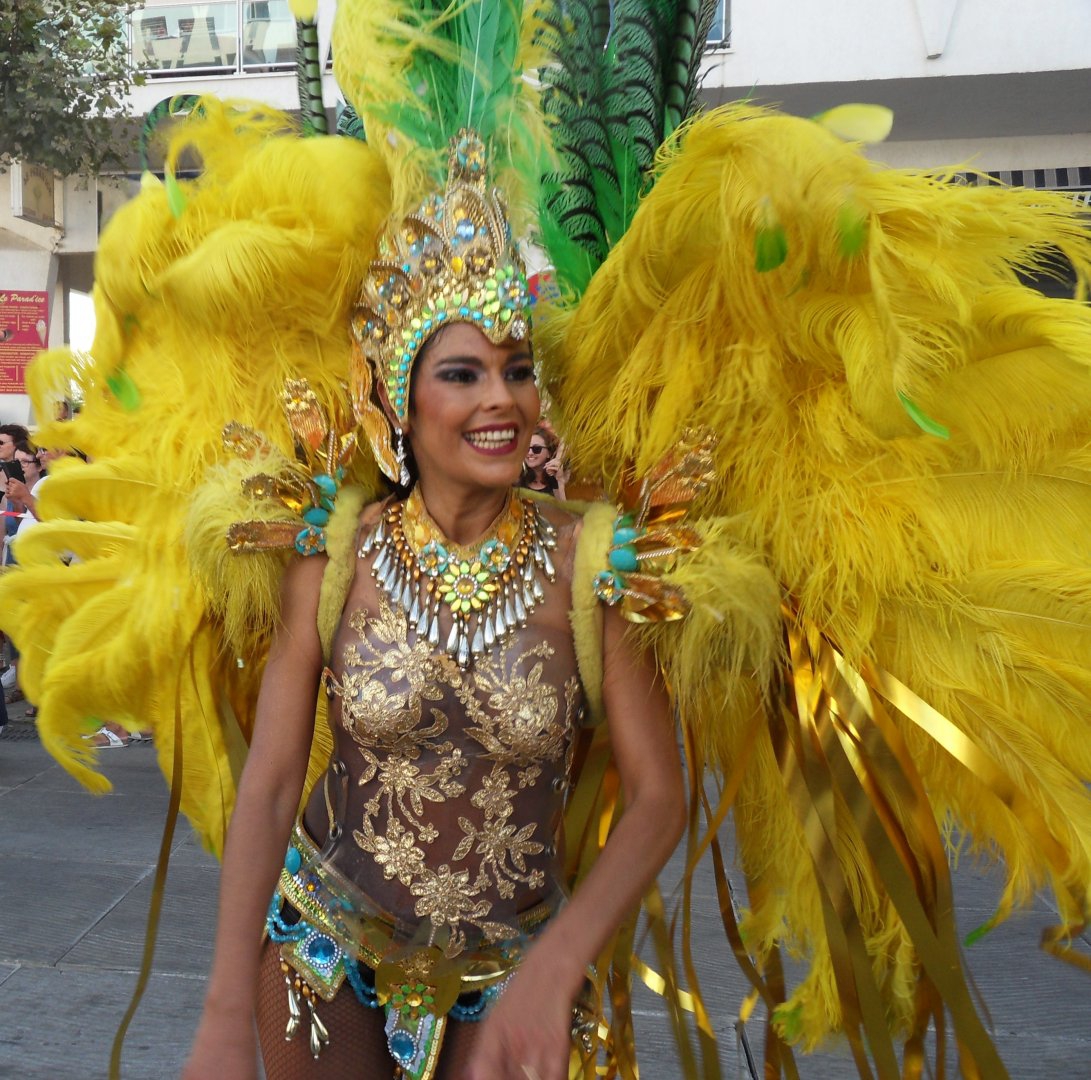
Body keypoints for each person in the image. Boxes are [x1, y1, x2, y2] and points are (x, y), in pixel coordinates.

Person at [3, 6, 1091, 1080]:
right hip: (320, 958)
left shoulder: (594, 561)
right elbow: (275, 779)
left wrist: (556, 964)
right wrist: (221, 1017)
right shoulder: (329, 552)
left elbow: (657, 801)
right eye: (462, 373)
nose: (501, 400)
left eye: (518, 370)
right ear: (397, 402)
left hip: (511, 975)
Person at [519, 424, 567, 499]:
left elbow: (564, 509)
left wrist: (559, 481)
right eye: (526, 448)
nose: (530, 453)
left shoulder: (560, 479)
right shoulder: (518, 480)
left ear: (549, 453)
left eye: (537, 449)